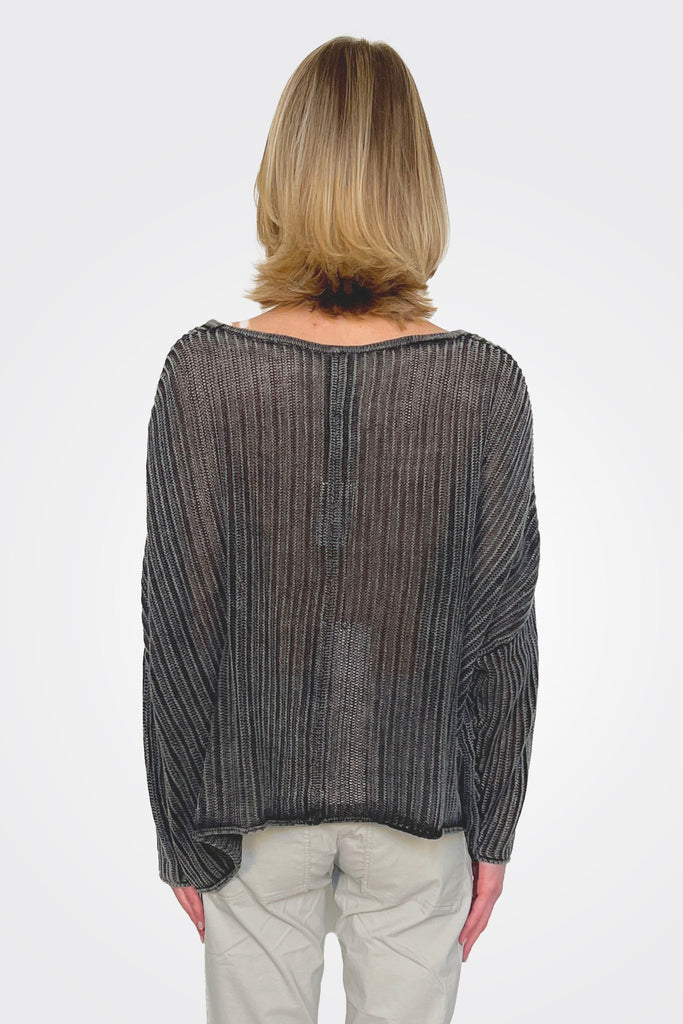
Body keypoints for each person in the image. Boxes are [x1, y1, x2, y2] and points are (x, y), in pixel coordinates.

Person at [141, 35, 541, 1024]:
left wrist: (177, 827)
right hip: (420, 809)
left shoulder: (203, 373)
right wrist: (494, 829)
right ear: (416, 188)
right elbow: (501, 633)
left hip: (246, 807)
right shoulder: (483, 383)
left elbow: (179, 624)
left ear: (281, 177)